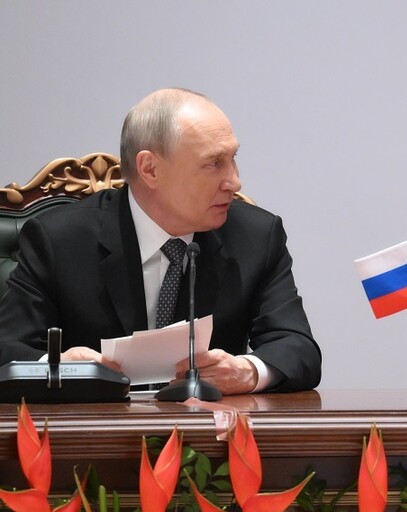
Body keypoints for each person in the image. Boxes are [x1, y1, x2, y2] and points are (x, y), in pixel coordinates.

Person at [0, 88, 321, 395]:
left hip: (204, 426)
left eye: (232, 158)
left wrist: (247, 371)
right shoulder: (59, 240)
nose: (234, 181)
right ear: (150, 169)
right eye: (214, 163)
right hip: (94, 427)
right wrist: (60, 367)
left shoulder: (256, 236)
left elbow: (298, 348)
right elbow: (7, 348)